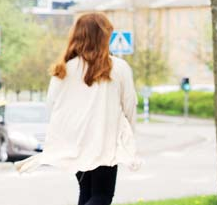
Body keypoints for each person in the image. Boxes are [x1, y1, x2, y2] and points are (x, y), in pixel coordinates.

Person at [16, 12, 141, 205]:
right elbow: (129, 105)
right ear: (104, 36)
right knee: (102, 195)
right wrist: (129, 138)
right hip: (104, 141)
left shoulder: (64, 69)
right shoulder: (118, 67)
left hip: (75, 141)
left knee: (87, 192)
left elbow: (52, 104)